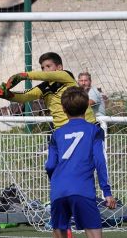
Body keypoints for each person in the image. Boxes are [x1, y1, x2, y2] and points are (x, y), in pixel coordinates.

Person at [45, 86, 116, 238]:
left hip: (59, 190)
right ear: (87, 107)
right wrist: (107, 192)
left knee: (59, 233)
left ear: (63, 109)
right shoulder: (94, 131)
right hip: (82, 189)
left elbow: (50, 165)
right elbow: (100, 161)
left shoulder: (56, 134)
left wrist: (57, 181)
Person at [0, 52, 96, 130]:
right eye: (43, 68)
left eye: (48, 66)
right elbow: (25, 96)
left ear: (59, 67)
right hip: (61, 130)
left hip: (87, 125)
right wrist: (7, 95)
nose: (45, 70)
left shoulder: (66, 76)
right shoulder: (43, 87)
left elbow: (46, 75)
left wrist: (24, 76)